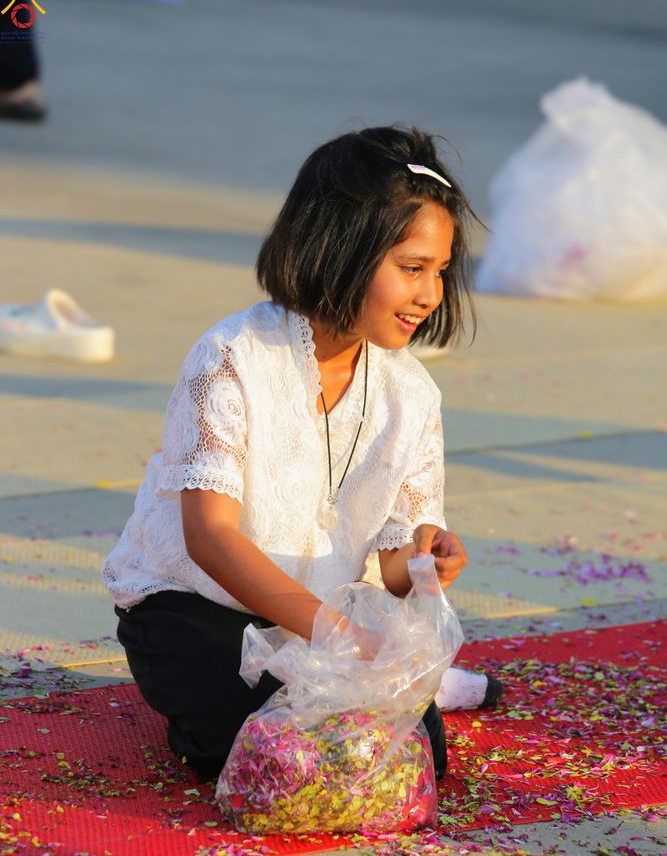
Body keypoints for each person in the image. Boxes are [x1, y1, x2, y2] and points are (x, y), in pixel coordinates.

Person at [103, 125, 501, 785]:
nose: (429, 296)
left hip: (325, 622)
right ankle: (196, 715)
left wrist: (425, 561)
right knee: (270, 754)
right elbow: (209, 540)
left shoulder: (411, 394)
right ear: (339, 249)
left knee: (412, 757)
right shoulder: (231, 357)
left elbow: (392, 565)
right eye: (410, 269)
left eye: (438, 271)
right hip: (199, 611)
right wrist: (339, 636)